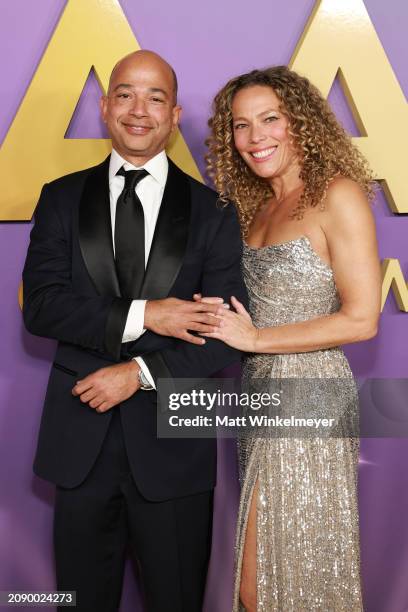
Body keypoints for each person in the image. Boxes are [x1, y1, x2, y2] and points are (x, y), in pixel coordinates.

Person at [22, 50, 247, 612]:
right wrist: (147, 313)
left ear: (173, 115)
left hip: (174, 448)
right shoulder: (61, 197)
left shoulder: (215, 210)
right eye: (125, 94)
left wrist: (139, 373)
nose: (138, 110)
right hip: (80, 443)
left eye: (155, 97)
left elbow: (221, 332)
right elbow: (43, 308)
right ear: (104, 107)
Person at [204, 66, 381, 611]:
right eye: (240, 126)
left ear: (299, 123)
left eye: (270, 119)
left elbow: (361, 320)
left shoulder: (337, 195)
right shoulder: (254, 207)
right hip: (260, 395)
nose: (256, 138)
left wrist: (255, 339)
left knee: (270, 581)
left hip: (309, 394)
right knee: (274, 578)